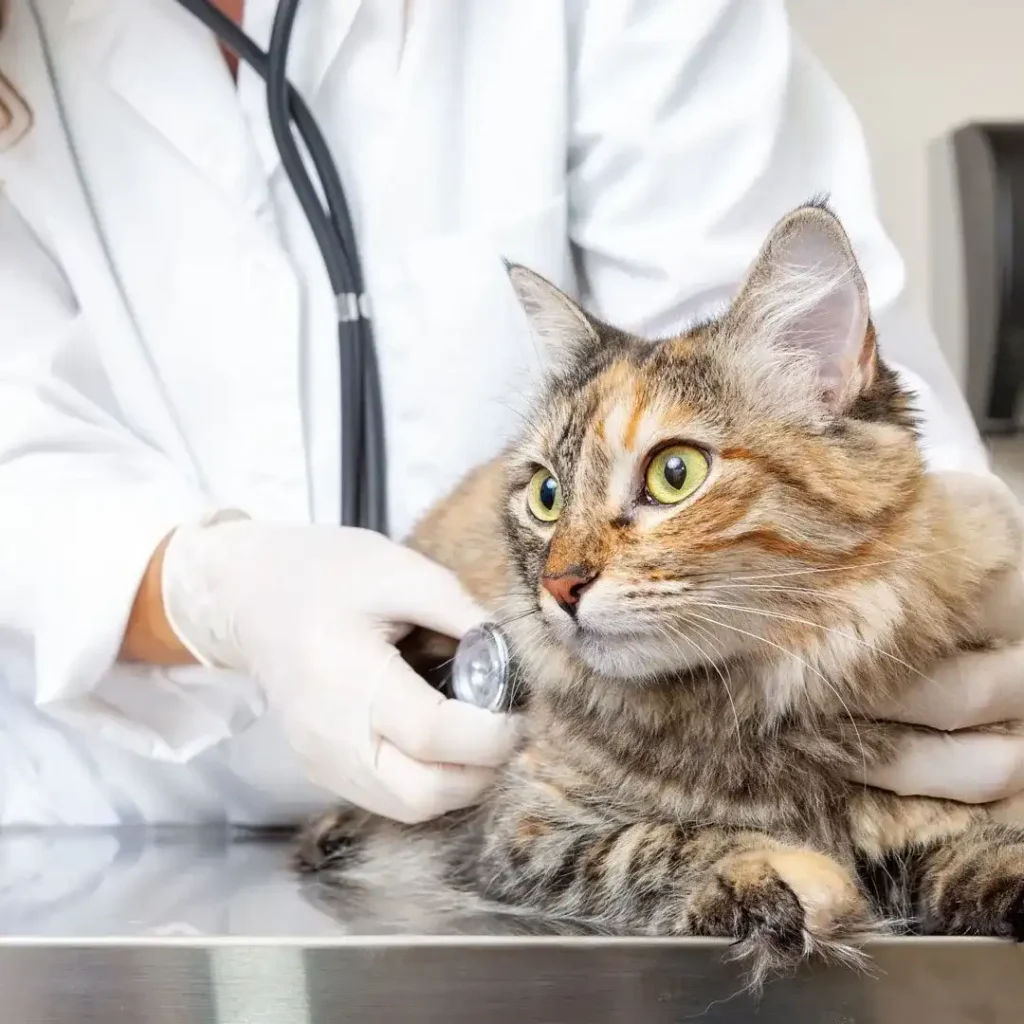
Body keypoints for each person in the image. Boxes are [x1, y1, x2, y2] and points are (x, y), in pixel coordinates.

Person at [1, 0, 1023, 828]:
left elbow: (771, 361)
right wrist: (215, 590)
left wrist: (919, 579)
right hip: (106, 828)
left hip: (627, 798)